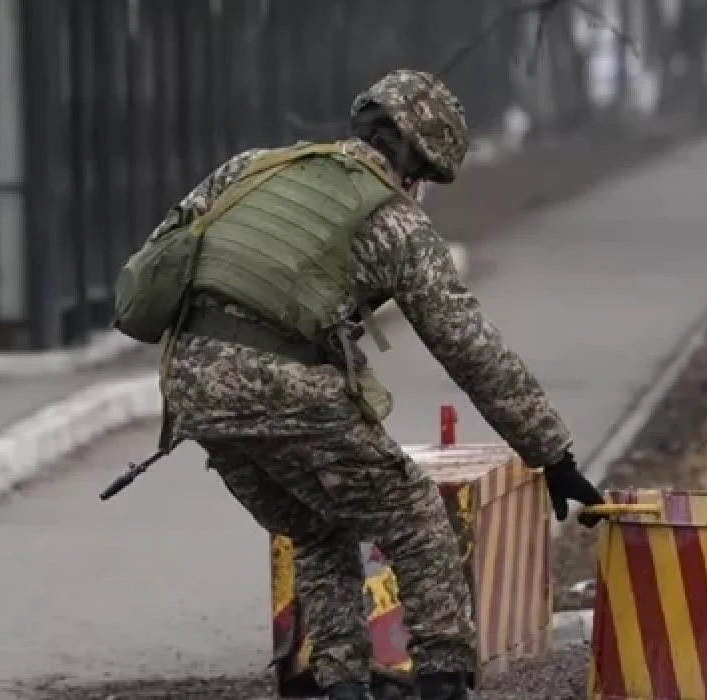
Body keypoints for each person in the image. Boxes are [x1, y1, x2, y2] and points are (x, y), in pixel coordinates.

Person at [147, 70, 607, 700]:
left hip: (189, 386)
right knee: (416, 517)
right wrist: (552, 455)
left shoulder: (252, 168)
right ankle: (444, 682)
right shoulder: (394, 221)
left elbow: (164, 250)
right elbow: (469, 347)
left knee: (317, 524)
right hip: (285, 387)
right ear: (417, 161)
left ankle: (342, 684)